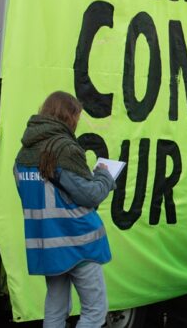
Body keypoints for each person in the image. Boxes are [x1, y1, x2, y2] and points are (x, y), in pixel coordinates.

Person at [13, 91, 116, 328]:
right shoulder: (64, 148)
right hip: (78, 242)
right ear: (68, 116)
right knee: (95, 311)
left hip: (47, 244)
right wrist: (103, 175)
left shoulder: (23, 152)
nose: (77, 123)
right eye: (77, 116)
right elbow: (90, 195)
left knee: (56, 310)